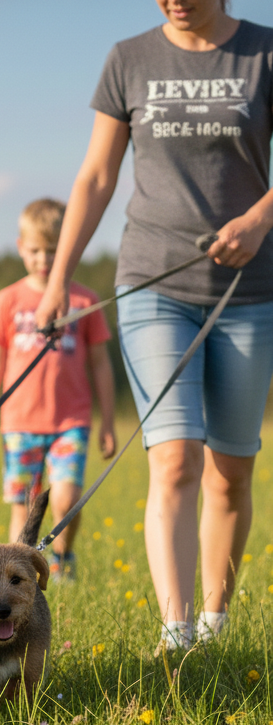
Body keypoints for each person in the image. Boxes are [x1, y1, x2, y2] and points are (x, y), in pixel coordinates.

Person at [35, 0, 273, 652]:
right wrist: (58, 281)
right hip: (153, 283)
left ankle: (215, 626)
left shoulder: (263, 53)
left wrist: (259, 221)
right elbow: (96, 176)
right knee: (173, 460)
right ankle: (177, 634)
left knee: (231, 469)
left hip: (249, 290)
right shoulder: (129, 59)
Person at [0, 198, 117, 584]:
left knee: (65, 499)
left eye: (53, 250)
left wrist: (108, 423)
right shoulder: (8, 300)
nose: (43, 259)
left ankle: (63, 558)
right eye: (35, 250)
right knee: (23, 508)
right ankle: (16, 579)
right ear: (21, 247)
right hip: (19, 424)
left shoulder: (84, 301)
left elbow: (101, 365)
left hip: (71, 421)